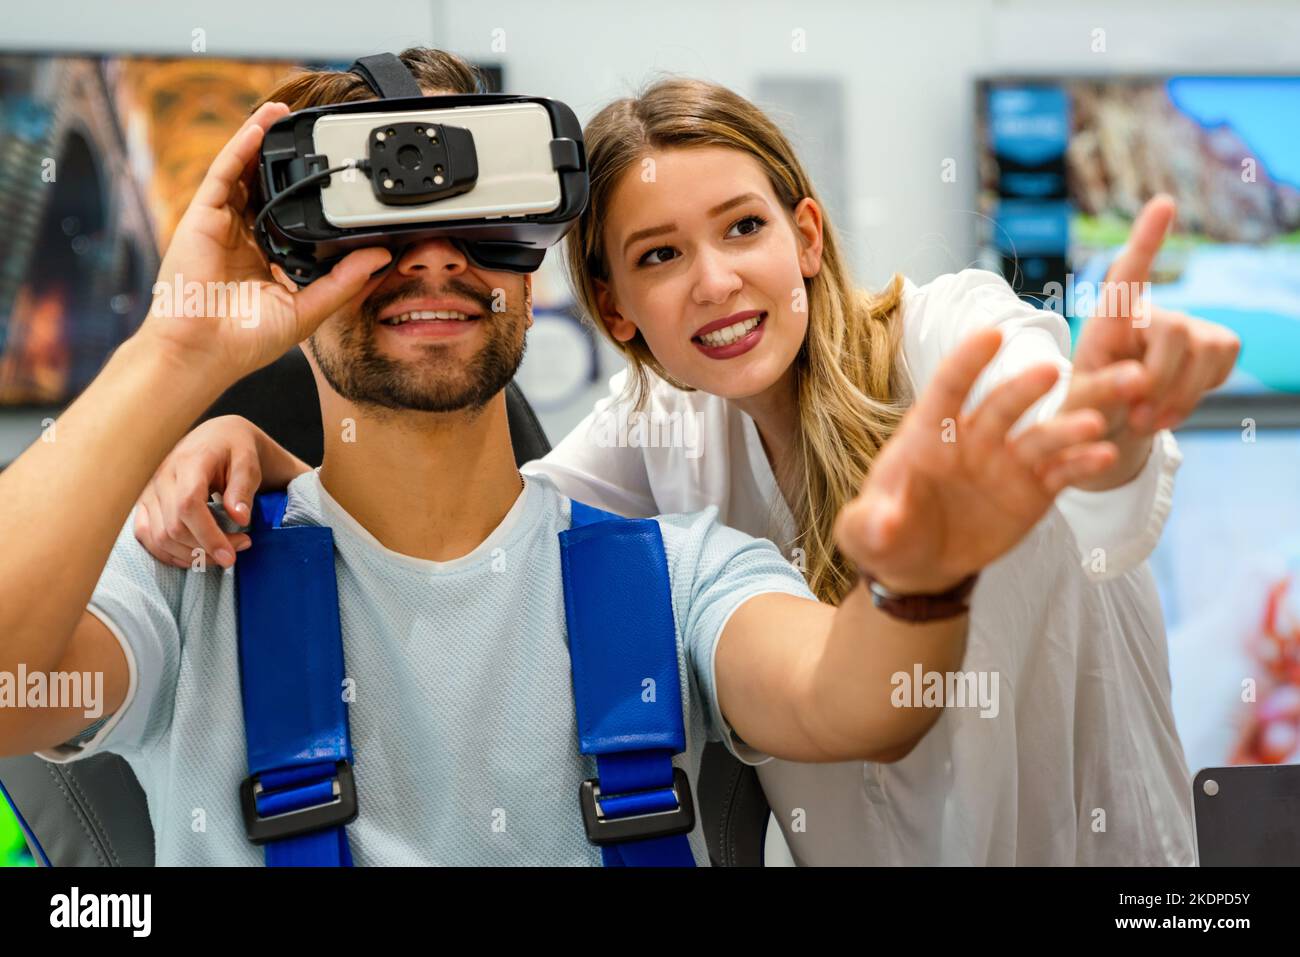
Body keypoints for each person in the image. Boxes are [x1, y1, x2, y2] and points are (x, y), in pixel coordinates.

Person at [0, 51, 1119, 866]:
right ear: (291, 267)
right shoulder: (190, 576)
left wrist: (918, 582)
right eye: (374, 228)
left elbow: (856, 702)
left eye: (478, 212)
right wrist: (177, 351)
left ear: (534, 270)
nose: (431, 260)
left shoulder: (675, 570)